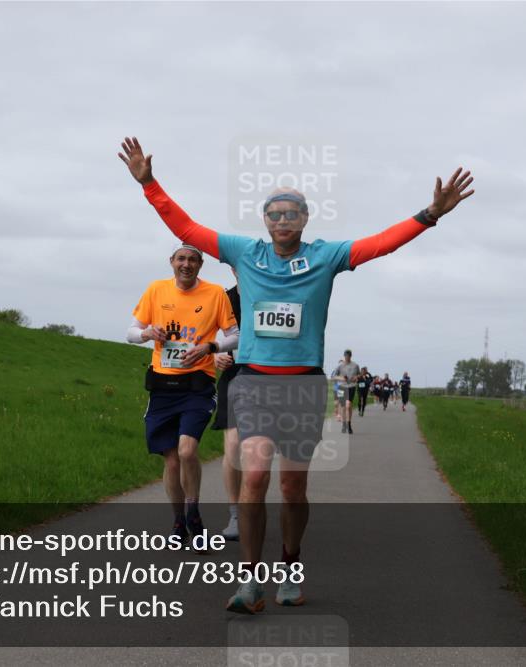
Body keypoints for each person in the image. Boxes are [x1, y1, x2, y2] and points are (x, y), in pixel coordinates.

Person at [118, 136, 474, 613]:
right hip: (253, 383)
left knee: (292, 488)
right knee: (254, 478)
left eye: (291, 213)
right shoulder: (245, 253)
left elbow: (379, 244)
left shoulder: (326, 256)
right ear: (264, 221)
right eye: (274, 214)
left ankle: (289, 564)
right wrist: (149, 184)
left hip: (303, 384)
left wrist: (429, 215)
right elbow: (185, 226)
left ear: (305, 220)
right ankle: (249, 583)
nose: (282, 220)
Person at [127, 245, 239, 548]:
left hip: (197, 384)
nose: (186, 264)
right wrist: (148, 334)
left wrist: (211, 348)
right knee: (172, 461)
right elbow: (131, 332)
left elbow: (235, 335)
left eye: (192, 260)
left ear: (200, 264)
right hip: (162, 385)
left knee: (188, 450)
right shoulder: (156, 290)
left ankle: (194, 513)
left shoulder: (215, 294)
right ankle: (178, 521)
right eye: (181, 259)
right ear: (172, 263)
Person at [210, 275, 243, 540]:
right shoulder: (222, 297)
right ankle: (236, 515)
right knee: (232, 445)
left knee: (259, 450)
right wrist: (214, 355)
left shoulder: (274, 289)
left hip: (269, 378)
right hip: (234, 376)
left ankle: (252, 507)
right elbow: (199, 332)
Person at [330, 350, 360, 434]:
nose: (347, 357)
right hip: (341, 387)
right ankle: (343, 424)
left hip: (351, 387)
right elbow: (333, 377)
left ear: (351, 356)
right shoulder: (340, 366)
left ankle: (349, 424)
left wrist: (356, 377)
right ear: (344, 356)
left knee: (348, 405)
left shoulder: (355, 365)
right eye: (346, 355)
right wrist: (342, 378)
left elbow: (359, 374)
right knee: (343, 407)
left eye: (349, 355)